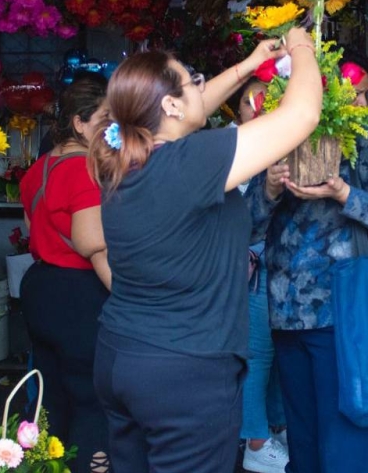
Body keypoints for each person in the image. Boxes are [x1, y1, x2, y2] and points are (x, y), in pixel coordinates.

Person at [89, 28, 322, 473]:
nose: (202, 85)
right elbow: (303, 115)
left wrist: (247, 68)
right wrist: (302, 47)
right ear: (170, 105)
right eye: (192, 80)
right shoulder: (189, 163)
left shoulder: (121, 159)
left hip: (121, 357)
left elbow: (186, 112)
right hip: (184, 372)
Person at [245, 50, 368, 473]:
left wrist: (347, 196)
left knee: (348, 449)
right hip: (287, 316)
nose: (356, 106)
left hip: (348, 314)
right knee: (303, 447)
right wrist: (268, 188)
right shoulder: (280, 139)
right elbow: (247, 226)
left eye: (360, 96)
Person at [18, 73, 112, 473]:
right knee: (94, 400)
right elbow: (94, 246)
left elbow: (30, 230)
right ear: (79, 122)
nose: (112, 131)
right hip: (80, 294)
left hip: (40, 288)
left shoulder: (36, 169)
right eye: (106, 121)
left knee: (49, 398)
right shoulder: (83, 171)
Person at [236, 80, 289, 473]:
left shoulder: (283, 142)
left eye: (265, 99)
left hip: (282, 265)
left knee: (278, 352)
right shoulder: (233, 148)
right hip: (249, 266)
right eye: (248, 100)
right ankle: (254, 440)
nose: (257, 106)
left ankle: (273, 427)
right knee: (256, 354)